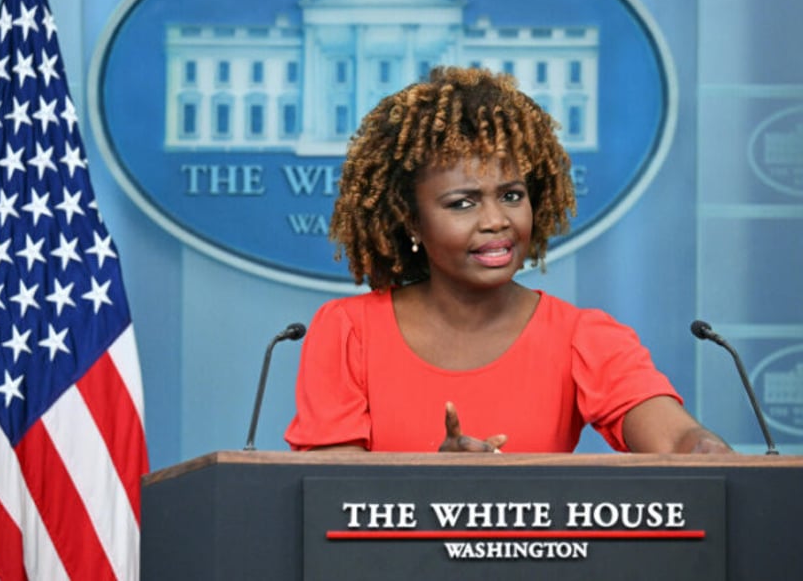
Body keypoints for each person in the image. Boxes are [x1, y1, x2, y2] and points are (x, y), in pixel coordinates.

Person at [284, 66, 731, 454]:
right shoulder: (349, 333)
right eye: (463, 203)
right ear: (413, 222)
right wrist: (430, 483)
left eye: (512, 196)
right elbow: (330, 490)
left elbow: (676, 441)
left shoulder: (584, 338)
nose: (497, 220)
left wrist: (704, 448)